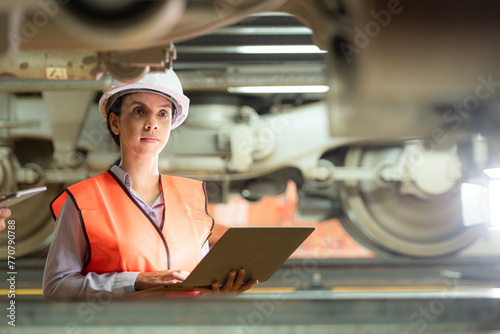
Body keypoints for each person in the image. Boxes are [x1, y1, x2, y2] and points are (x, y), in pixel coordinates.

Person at [42, 70, 258, 299]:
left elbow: (197, 289)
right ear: (115, 122)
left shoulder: (191, 197)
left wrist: (220, 293)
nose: (152, 123)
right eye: (139, 111)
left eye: (163, 113)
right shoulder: (83, 201)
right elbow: (56, 288)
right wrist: (134, 281)